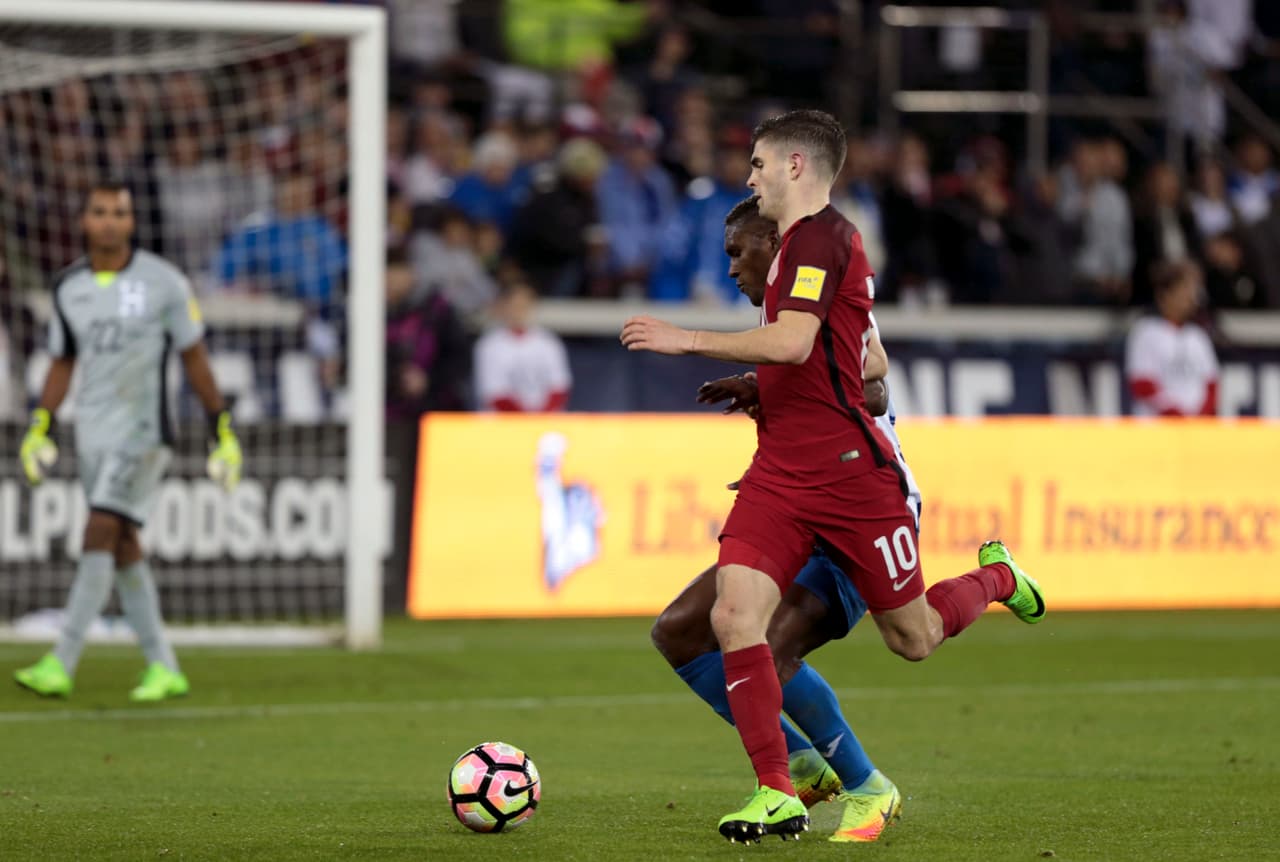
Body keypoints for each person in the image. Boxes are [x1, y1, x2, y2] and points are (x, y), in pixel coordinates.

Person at [621, 110, 1045, 842]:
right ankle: (778, 787)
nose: (748, 176)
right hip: (782, 474)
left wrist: (688, 340)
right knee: (730, 619)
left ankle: (997, 578)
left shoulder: (822, 239)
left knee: (912, 637)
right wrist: (767, 383)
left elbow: (834, 360)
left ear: (793, 167)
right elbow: (849, 355)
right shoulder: (795, 255)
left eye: (757, 164)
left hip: (855, 482)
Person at [651, 195, 919, 843]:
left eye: (740, 252)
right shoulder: (779, 320)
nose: (732, 269)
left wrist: (731, 363)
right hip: (799, 504)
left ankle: (866, 786)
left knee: (782, 645)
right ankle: (803, 763)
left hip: (856, 513)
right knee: (682, 632)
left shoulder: (819, 305)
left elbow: (873, 385)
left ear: (779, 248)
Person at [15, 180, 242, 702]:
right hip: (92, 432)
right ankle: (164, 666)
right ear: (85, 221)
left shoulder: (164, 282)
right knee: (124, 547)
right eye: (101, 211)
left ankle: (62, 659)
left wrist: (220, 426)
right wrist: (41, 423)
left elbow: (194, 357)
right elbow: (63, 361)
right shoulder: (67, 286)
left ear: (133, 222)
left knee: (98, 529)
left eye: (121, 211)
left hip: (144, 432)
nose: (111, 220)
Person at [1125, 259, 1219, 416]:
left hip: (1194, 431)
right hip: (1157, 430)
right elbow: (1141, 384)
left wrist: (1200, 417)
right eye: (1184, 290)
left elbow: (1211, 383)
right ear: (1164, 294)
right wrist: (1176, 415)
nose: (1190, 298)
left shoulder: (1198, 336)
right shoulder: (1146, 332)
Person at [474, 278, 572, 412]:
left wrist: (539, 418)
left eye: (524, 305)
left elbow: (559, 387)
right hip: (504, 423)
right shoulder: (488, 345)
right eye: (514, 305)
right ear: (503, 306)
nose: (519, 311)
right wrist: (524, 421)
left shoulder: (549, 342)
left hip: (544, 421)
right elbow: (493, 393)